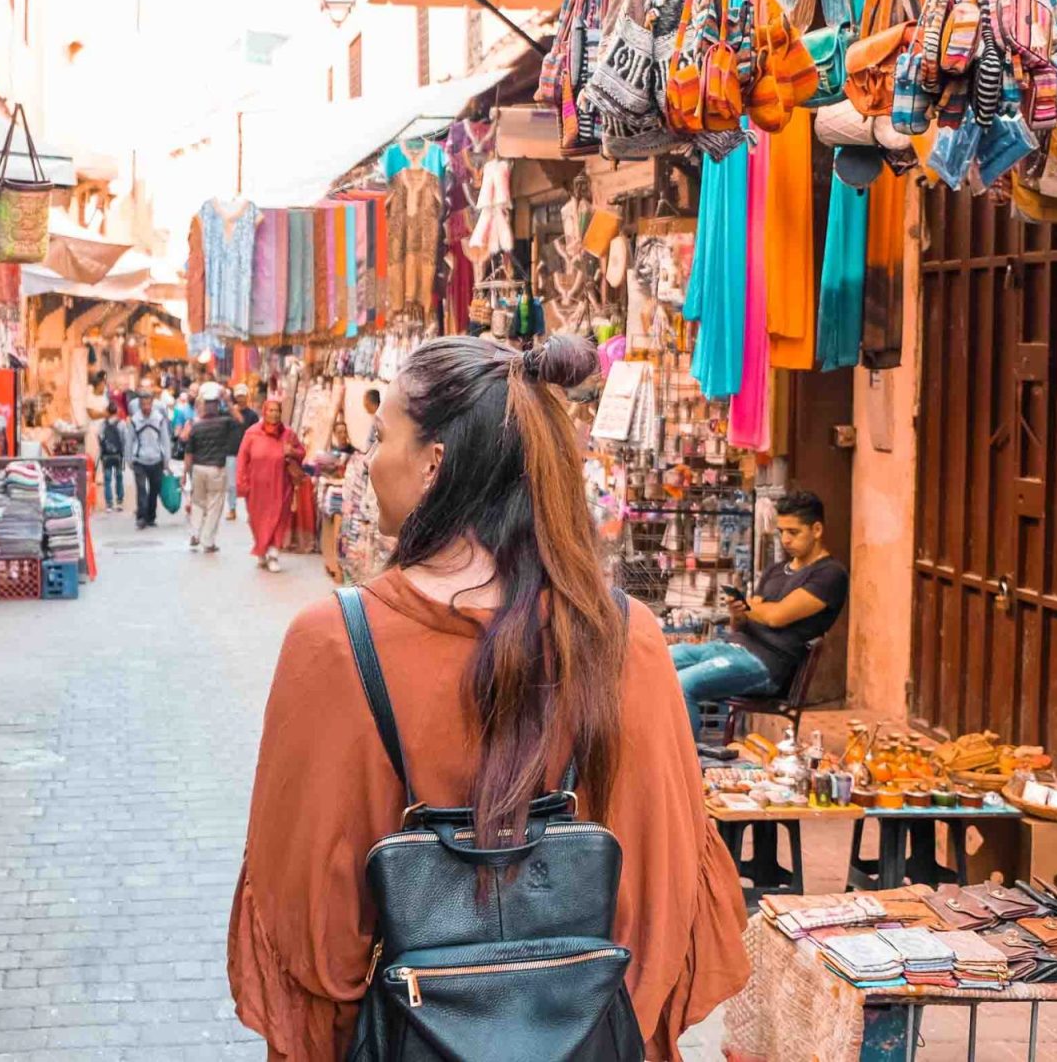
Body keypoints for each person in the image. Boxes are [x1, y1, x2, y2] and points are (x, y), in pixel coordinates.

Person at [227, 336, 748, 1059]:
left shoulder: (337, 644)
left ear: (433, 464)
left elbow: (309, 932)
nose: (368, 458)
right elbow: (661, 905)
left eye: (381, 435)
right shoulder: (624, 638)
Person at [673, 490, 849, 722]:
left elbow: (777, 617)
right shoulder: (775, 570)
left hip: (767, 664)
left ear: (816, 530)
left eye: (793, 532)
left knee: (683, 686)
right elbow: (742, 623)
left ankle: (684, 758)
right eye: (782, 532)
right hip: (730, 647)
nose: (785, 539)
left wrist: (750, 607)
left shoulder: (830, 574)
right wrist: (738, 612)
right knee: (659, 658)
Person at [235, 397, 304, 572]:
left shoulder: (288, 434)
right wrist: (241, 482)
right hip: (256, 488)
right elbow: (242, 459)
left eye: (277, 411)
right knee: (257, 521)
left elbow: (301, 452)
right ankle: (261, 550)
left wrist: (292, 451)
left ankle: (273, 553)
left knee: (279, 518)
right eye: (271, 410)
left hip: (281, 486)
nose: (274, 414)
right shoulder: (252, 433)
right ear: (264, 412)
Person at [185, 384, 243, 553]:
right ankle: (207, 541)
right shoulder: (224, 422)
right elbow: (240, 421)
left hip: (198, 469)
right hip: (216, 469)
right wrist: (229, 402)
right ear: (218, 405)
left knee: (197, 502)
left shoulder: (196, 426)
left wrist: (185, 474)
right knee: (214, 506)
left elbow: (189, 452)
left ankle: (195, 533)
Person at [129, 389, 174, 530]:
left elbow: (165, 439)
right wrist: (129, 459)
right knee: (141, 489)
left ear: (152, 404)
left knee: (154, 489)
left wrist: (167, 459)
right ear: (140, 405)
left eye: (148, 404)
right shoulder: (134, 420)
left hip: (157, 460)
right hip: (140, 460)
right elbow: (129, 440)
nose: (146, 408)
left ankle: (151, 516)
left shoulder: (159, 419)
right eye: (143, 404)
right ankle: (141, 517)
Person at [226, 384, 260, 523]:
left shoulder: (252, 415)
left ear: (247, 397)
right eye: (238, 396)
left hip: (248, 454)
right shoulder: (230, 414)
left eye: (243, 395)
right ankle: (232, 509)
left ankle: (251, 512)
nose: (241, 399)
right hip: (232, 452)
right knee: (232, 484)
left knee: (249, 484)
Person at [97, 411, 129, 515]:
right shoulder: (121, 423)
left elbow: (99, 436)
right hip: (118, 455)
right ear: (116, 412)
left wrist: (102, 449)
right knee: (119, 477)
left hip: (106, 455)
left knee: (107, 479)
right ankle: (119, 502)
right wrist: (124, 452)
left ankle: (109, 504)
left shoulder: (103, 424)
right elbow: (125, 438)